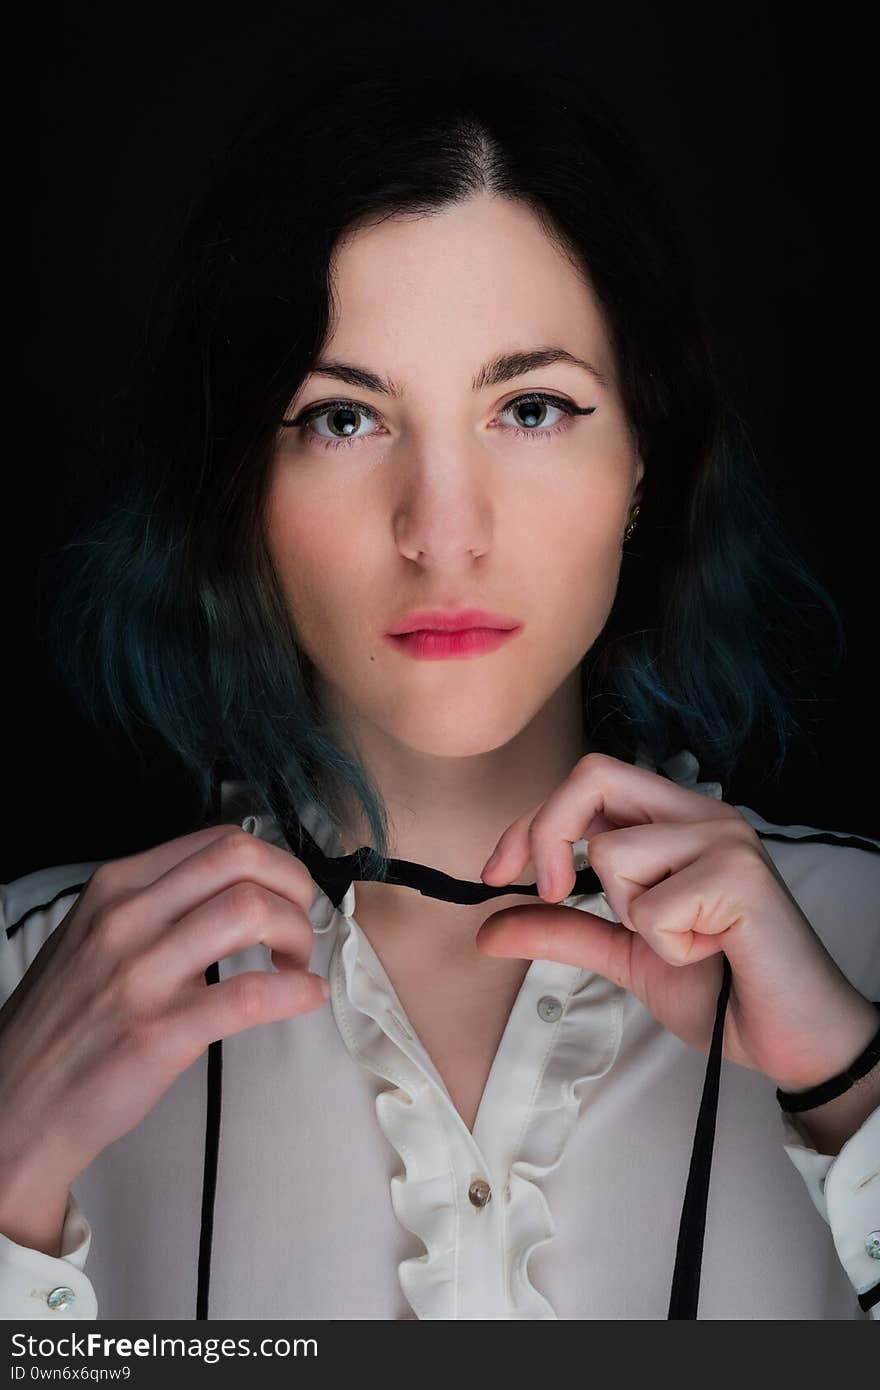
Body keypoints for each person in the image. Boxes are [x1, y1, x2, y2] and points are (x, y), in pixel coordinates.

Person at [1, 57, 878, 1323]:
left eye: (530, 407)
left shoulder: (859, 946)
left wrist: (852, 1086)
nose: (442, 530)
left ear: (647, 452)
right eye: (342, 420)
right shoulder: (29, 979)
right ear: (239, 483)